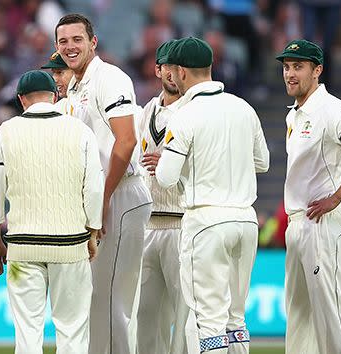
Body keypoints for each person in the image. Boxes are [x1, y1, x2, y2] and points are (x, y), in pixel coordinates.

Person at [155, 37, 269, 354]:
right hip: (245, 220)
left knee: (208, 321)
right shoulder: (243, 107)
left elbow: (165, 177)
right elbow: (263, 162)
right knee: (235, 319)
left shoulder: (185, 115)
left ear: (179, 72)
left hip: (205, 221)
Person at [55, 13, 152, 354]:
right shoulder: (74, 86)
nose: (70, 47)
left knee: (109, 297)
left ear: (93, 42)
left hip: (121, 192)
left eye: (77, 40)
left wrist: (104, 198)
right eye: (63, 41)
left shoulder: (109, 77)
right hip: (103, 194)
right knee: (97, 297)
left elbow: (126, 141)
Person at [276, 39, 341, 354]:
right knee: (299, 319)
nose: (290, 74)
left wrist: (337, 197)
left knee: (331, 317)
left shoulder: (330, 108)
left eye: (298, 67)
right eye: (286, 67)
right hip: (299, 224)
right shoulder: (294, 114)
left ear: (317, 70)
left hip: (324, 224)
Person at [0, 70, 104, 354]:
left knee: (27, 334)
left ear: (21, 100)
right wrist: (93, 232)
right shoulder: (80, 131)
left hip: (23, 246)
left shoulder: (5, 132)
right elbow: (93, 189)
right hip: (71, 244)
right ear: (55, 96)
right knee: (73, 331)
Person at [136, 39, 189, 354]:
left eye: (179, 67)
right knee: (146, 317)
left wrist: (173, 168)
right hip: (149, 224)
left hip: (181, 221)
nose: (174, 73)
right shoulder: (147, 111)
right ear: (157, 69)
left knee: (183, 318)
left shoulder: (193, 111)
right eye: (167, 65)